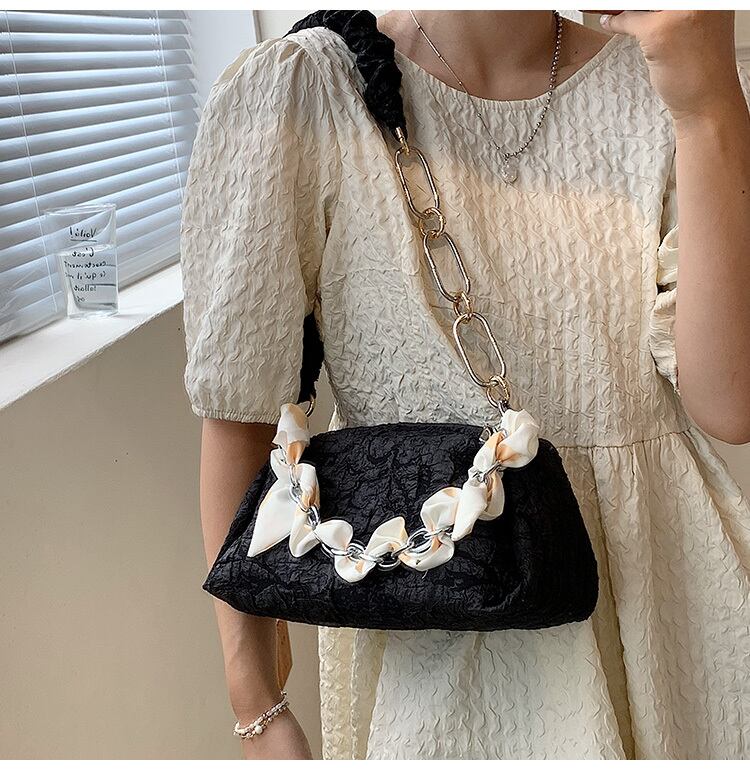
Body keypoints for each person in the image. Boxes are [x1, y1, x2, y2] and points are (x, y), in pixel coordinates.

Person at [180, 10, 750, 760]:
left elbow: (730, 402)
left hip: (671, 614)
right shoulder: (306, 91)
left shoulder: (671, 80)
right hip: (441, 631)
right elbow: (239, 414)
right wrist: (256, 704)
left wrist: (708, 106)